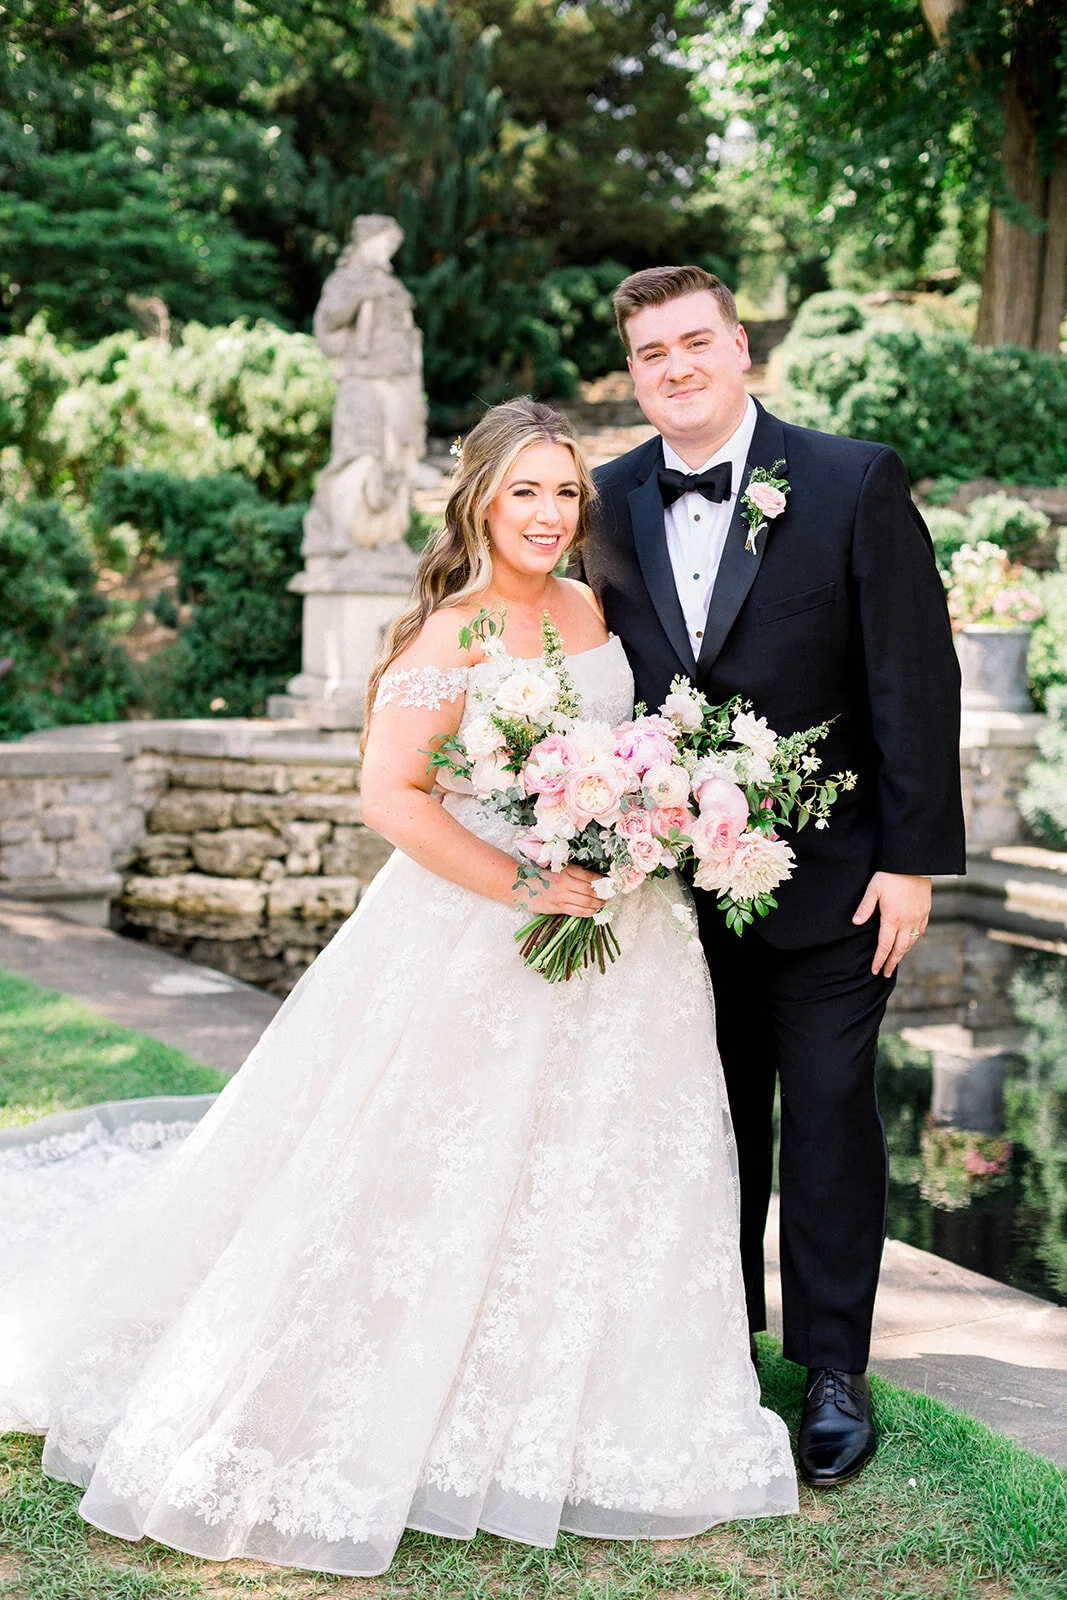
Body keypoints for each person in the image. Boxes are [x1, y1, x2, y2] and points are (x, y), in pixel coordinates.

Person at [0, 398, 797, 1581]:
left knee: (603, 1163)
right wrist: (524, 879)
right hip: (483, 927)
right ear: (477, 500)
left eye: (564, 492)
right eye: (523, 491)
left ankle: (594, 1395)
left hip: (625, 935)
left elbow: (625, 746)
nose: (547, 514)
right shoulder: (448, 636)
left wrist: (641, 819)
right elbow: (390, 796)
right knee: (443, 1161)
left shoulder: (588, 607)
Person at [573, 267, 965, 1488]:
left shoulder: (850, 480)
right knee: (706, 1119)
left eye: (695, 342)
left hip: (836, 881)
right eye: (651, 353)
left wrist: (910, 860)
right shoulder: (603, 501)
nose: (676, 367)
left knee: (830, 1113)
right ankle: (720, 1346)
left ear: (738, 346)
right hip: (667, 892)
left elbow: (912, 676)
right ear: (632, 374)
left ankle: (833, 1367)